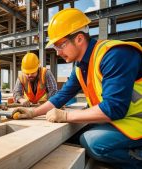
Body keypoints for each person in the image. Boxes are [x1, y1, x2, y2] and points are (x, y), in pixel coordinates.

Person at [12, 8, 142, 168]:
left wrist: (66, 116)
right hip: (119, 121)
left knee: (94, 142)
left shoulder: (115, 55)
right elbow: (61, 96)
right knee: (73, 136)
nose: (58, 53)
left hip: (135, 123)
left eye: (60, 45)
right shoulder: (81, 68)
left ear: (79, 39)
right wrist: (34, 112)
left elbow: (114, 108)